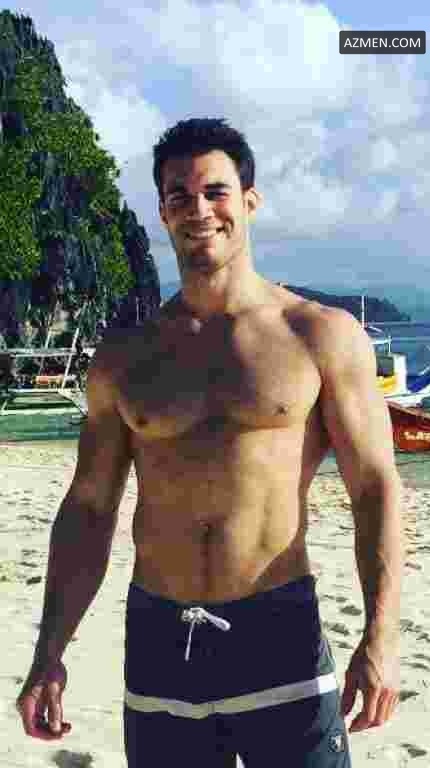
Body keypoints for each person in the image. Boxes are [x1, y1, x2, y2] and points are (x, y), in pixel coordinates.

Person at [16, 118, 403, 767]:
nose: (198, 209)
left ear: (249, 201)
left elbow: (375, 489)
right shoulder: (126, 357)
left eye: (215, 192)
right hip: (160, 639)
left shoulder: (317, 335)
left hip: (278, 631)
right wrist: (48, 652)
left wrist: (381, 637)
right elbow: (89, 508)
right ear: (163, 212)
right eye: (179, 195)